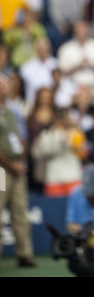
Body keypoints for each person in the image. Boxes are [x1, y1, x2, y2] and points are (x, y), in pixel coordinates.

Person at [0, 74, 35, 267]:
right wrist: (11, 164)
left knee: (20, 211)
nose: (7, 87)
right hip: (1, 169)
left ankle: (25, 254)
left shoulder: (11, 111)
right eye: (3, 84)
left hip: (16, 166)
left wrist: (22, 158)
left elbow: (19, 137)